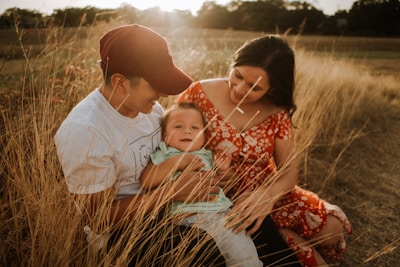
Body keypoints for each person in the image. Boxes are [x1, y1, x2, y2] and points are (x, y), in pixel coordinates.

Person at [54, 24, 225, 266]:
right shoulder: (84, 131)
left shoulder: (150, 107)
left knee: (248, 229)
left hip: (171, 207)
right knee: (206, 254)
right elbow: (99, 220)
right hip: (123, 234)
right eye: (155, 85)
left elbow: (169, 152)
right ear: (120, 82)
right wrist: (171, 192)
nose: (163, 95)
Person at [176, 34, 353, 266]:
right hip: (216, 193)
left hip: (267, 191)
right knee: (272, 231)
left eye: (254, 87)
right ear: (233, 63)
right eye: (237, 75)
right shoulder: (197, 93)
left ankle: (279, 234)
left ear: (273, 88)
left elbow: (289, 171)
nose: (239, 89)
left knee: (332, 228)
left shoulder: (276, 112)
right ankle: (283, 238)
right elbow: (173, 143)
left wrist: (267, 196)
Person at [140, 102, 263, 267]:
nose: (187, 130)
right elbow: (147, 180)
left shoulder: (207, 155)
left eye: (195, 128)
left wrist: (223, 170)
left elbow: (224, 183)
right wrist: (175, 163)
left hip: (222, 216)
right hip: (186, 220)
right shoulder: (165, 154)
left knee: (245, 257)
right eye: (178, 126)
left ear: (204, 136)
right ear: (164, 135)